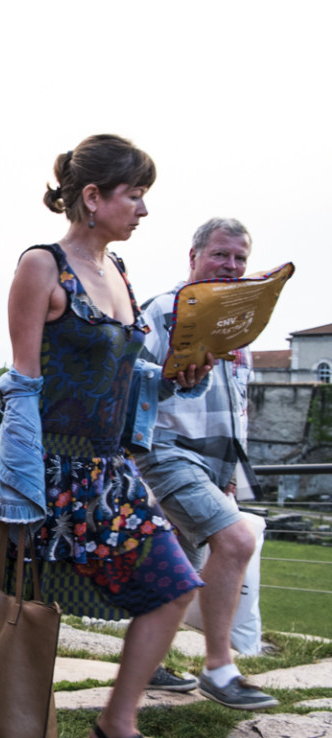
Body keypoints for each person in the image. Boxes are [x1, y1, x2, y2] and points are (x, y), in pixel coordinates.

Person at [0, 135, 206, 738]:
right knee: (23, 611)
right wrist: (21, 492)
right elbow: (21, 384)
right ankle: (4, 732)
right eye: (135, 195)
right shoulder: (42, 265)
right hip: (42, 469)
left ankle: (115, 728)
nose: (144, 210)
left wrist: (173, 375)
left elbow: (124, 378)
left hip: (111, 474)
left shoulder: (120, 274)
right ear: (93, 196)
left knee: (173, 587)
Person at [131, 218, 279, 710]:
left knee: (178, 571)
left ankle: (144, 667)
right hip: (169, 450)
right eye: (220, 255)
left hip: (216, 464)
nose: (231, 266)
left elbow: (237, 407)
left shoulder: (242, 325)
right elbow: (128, 382)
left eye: (239, 257)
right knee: (236, 539)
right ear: (193, 257)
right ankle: (220, 668)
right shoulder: (162, 310)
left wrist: (231, 478)